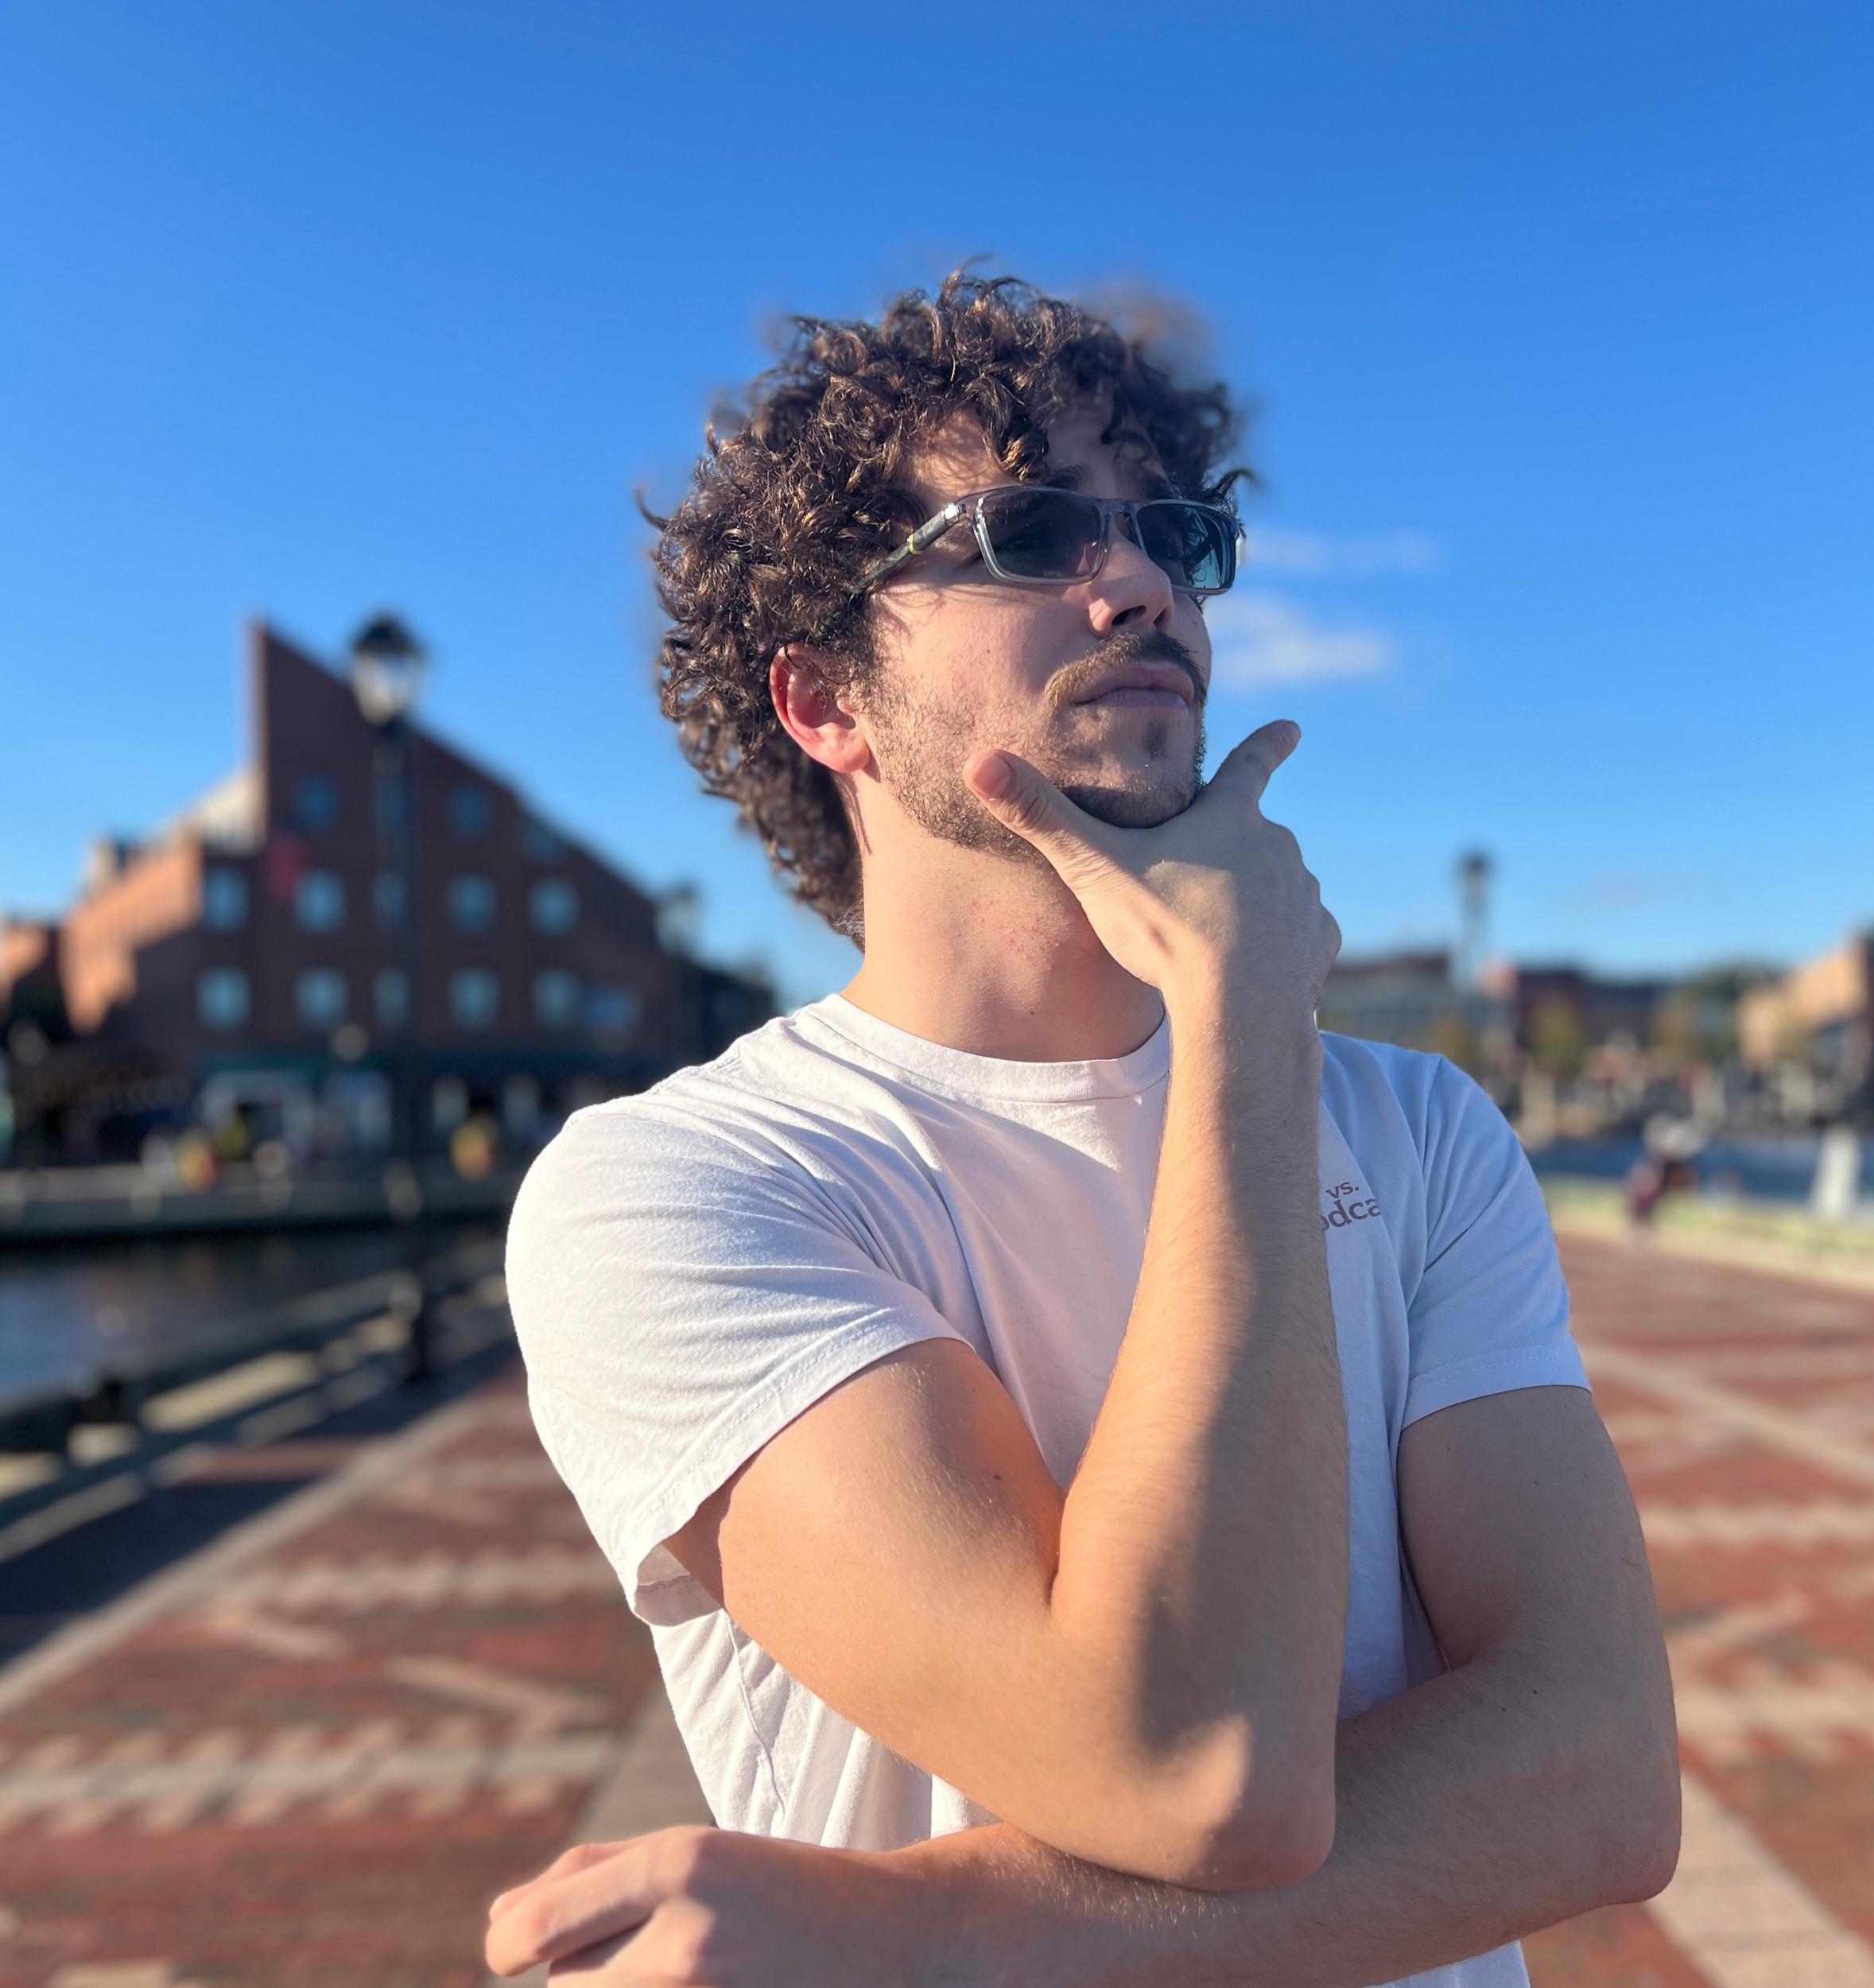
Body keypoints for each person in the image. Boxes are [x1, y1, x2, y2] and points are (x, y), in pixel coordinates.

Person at [488, 270, 1680, 1985]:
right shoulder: (680, 1189)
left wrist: (907, 1936)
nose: (1135, 585)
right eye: (1028, 531)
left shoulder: (1418, 1127)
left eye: (1171, 535)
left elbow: (1597, 1779)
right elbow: (1192, 1767)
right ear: (823, 702)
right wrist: (1247, 1019)